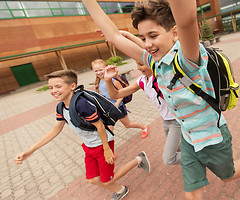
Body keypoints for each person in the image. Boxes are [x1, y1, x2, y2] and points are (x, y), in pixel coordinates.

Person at [67, 0, 240, 199]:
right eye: (142, 37)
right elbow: (114, 36)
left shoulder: (189, 58)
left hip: (212, 137)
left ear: (174, 33)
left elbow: (187, 17)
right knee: (191, 192)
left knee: (228, 174)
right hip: (189, 139)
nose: (147, 44)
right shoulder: (154, 62)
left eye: (153, 35)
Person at [14, 69, 150, 200]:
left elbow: (100, 126)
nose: (54, 91)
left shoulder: (81, 104)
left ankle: (138, 160)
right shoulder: (60, 107)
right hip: (89, 146)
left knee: (108, 180)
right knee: (93, 180)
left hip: (102, 143)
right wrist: (30, 151)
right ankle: (120, 190)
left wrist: (107, 149)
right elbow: (55, 129)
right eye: (50, 88)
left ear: (72, 86)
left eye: (58, 86)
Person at [105, 57, 181, 165]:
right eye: (137, 64)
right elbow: (115, 94)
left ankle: (200, 156)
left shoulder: (161, 75)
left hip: (177, 120)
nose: (138, 68)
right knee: (177, 146)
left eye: (141, 64)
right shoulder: (142, 81)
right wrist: (108, 80)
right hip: (166, 120)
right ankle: (197, 150)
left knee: (169, 158)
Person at [91, 58, 149, 138]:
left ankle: (144, 127)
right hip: (108, 110)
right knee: (109, 127)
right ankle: (108, 145)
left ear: (106, 68)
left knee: (128, 125)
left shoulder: (113, 80)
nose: (98, 72)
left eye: (100, 70)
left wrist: (117, 104)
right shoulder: (99, 82)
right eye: (96, 71)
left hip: (118, 108)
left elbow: (122, 93)